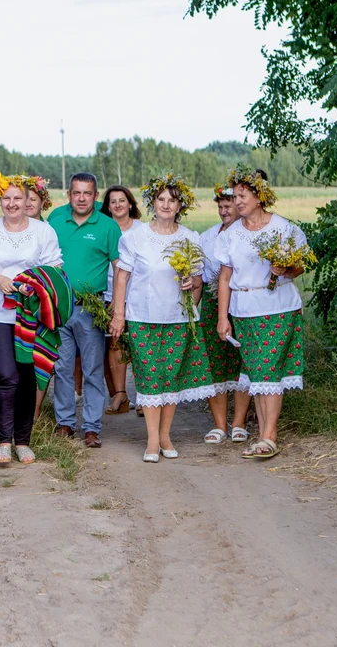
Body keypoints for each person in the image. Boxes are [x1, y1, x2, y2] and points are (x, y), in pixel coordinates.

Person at [110, 173, 212, 463]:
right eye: (161, 199)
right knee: (149, 377)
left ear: (181, 205)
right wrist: (119, 315)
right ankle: (152, 441)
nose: (167, 204)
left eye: (173, 200)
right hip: (142, 317)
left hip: (178, 318)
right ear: (153, 202)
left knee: (171, 379)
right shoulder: (135, 237)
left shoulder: (190, 238)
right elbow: (122, 277)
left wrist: (191, 284)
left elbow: (198, 281)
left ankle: (166, 435)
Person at [216, 167, 309, 460]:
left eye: (243, 195)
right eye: (235, 196)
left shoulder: (283, 228)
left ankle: (269, 437)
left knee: (268, 370)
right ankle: (263, 436)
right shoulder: (231, 235)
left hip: (277, 308)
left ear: (259, 197)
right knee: (257, 373)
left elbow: (300, 267)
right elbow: (223, 277)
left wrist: (285, 269)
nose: (237, 201)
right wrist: (222, 317)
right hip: (244, 311)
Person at [0, 171, 62, 465]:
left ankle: (23, 441)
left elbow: (54, 268)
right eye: (6, 198)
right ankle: (3, 442)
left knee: (25, 378)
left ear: (28, 201)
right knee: (5, 375)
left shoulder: (43, 232)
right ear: (0, 201)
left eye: (17, 198)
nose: (12, 204)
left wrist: (34, 285)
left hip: (30, 316)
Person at [47, 173, 121, 448]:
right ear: (68, 194)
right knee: (63, 366)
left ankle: (91, 427)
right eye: (76, 192)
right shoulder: (55, 220)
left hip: (91, 307)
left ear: (95, 196)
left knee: (91, 370)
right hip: (58, 307)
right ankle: (65, 423)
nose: (81, 198)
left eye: (87, 193)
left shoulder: (107, 226)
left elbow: (118, 266)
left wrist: (117, 305)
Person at [199, 183, 252, 444]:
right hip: (212, 302)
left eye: (228, 205)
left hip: (241, 301)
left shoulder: (248, 233)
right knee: (214, 361)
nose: (223, 211)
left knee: (243, 361)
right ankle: (219, 424)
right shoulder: (208, 235)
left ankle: (239, 422)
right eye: (220, 206)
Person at [100, 186, 141, 415]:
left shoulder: (141, 230)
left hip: (137, 294)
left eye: (122, 200)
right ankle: (120, 395)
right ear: (107, 206)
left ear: (131, 204)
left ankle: (145, 397)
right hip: (110, 292)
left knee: (139, 343)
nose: (117, 205)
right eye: (112, 201)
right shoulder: (104, 228)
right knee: (115, 342)